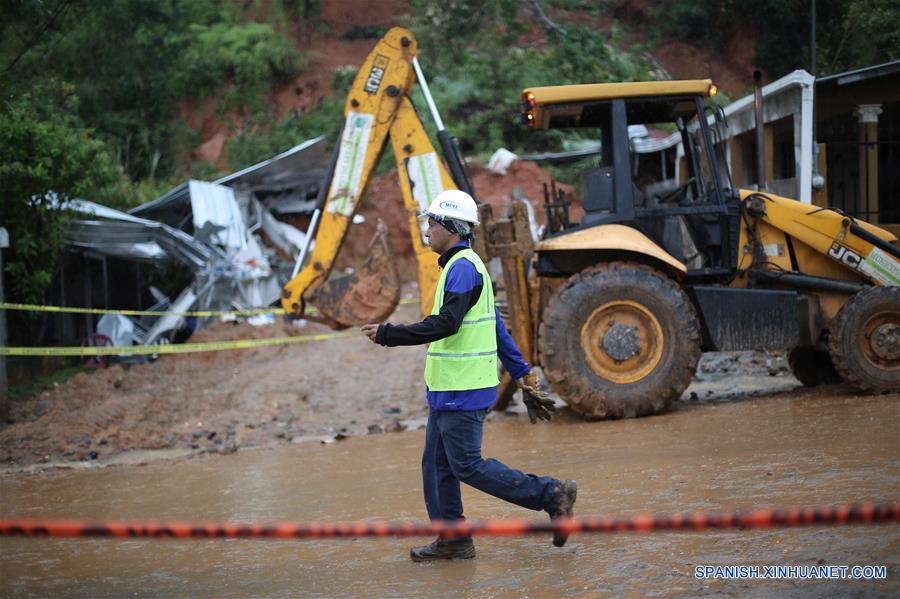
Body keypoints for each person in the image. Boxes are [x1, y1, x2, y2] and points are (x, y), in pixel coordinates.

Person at [361, 189, 577, 562]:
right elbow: (494, 326)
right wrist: (521, 371)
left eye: (432, 223)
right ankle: (453, 540)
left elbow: (446, 323)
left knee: (466, 465)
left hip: (463, 388)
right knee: (437, 466)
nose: (427, 230)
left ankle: (550, 494)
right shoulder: (462, 266)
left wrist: (388, 334)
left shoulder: (462, 268)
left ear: (451, 228)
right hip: (449, 388)